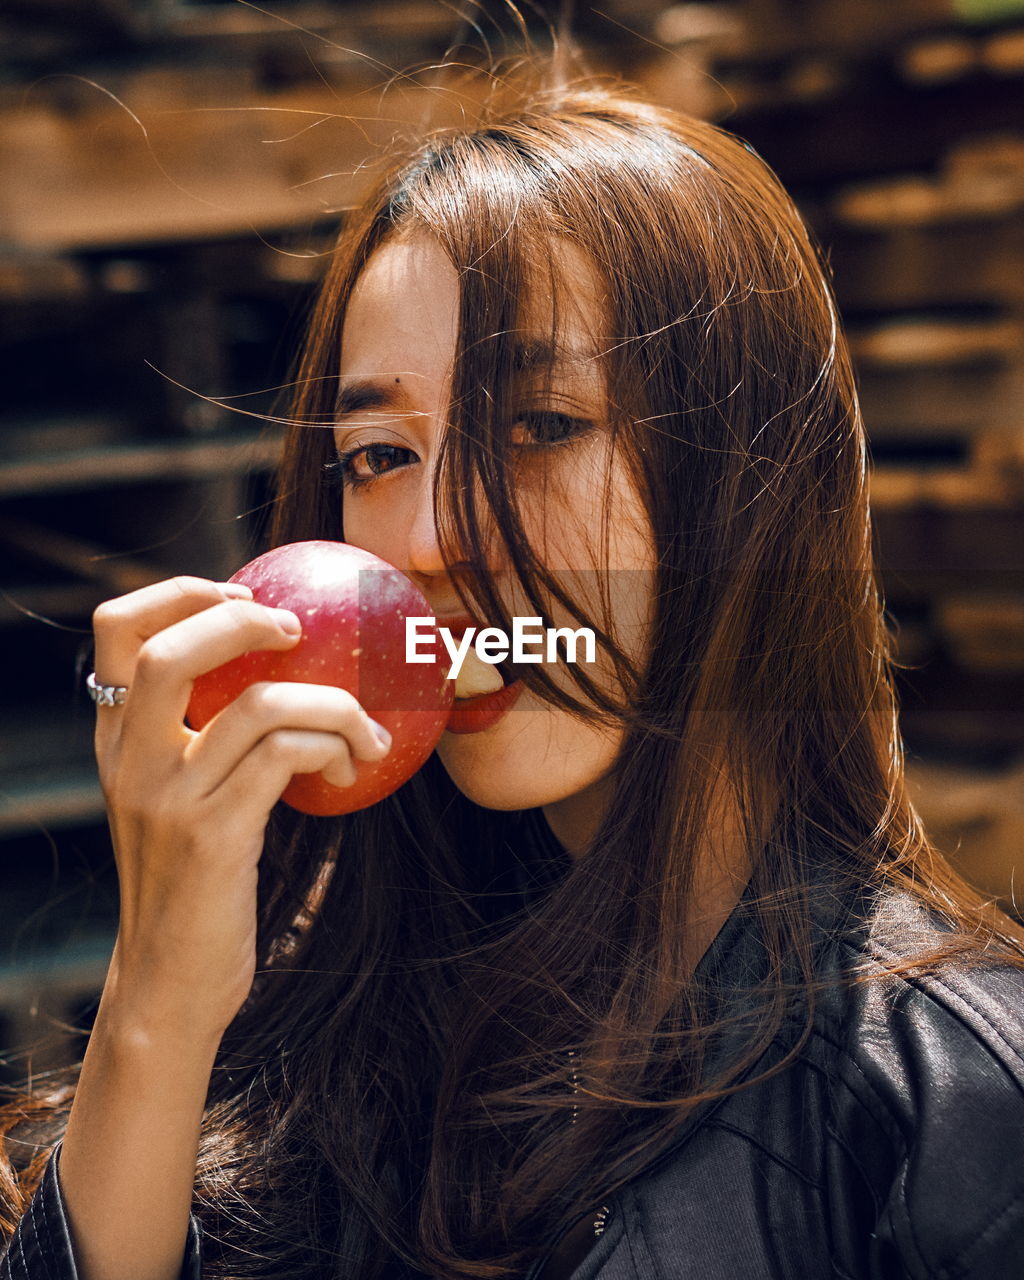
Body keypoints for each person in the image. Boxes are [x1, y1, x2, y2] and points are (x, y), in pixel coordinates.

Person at [3, 81, 1024, 1280]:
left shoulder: (943, 1106)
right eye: (378, 455)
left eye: (539, 425)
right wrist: (156, 1003)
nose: (431, 537)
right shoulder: (317, 1046)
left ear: (747, 483)